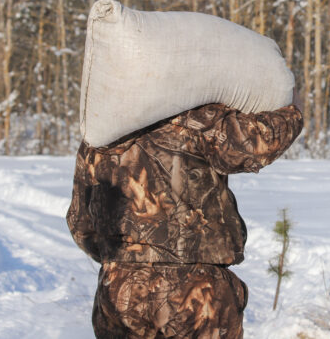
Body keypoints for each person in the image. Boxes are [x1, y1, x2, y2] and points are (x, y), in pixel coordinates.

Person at [67, 100, 303, 339]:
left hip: (121, 289)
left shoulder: (101, 131)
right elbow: (255, 143)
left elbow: (80, 223)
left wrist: (125, 259)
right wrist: (292, 112)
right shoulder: (194, 114)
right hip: (196, 289)